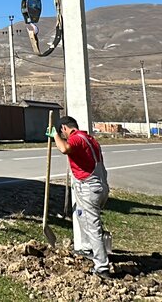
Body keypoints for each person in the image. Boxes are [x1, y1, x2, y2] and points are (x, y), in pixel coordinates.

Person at [50, 115, 111, 277]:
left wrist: (55, 136)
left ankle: (102, 266)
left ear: (64, 128)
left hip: (89, 188)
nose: (63, 136)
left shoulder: (76, 138)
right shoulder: (90, 139)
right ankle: (91, 249)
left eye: (61, 132)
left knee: (93, 227)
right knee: (81, 215)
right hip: (100, 185)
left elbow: (64, 149)